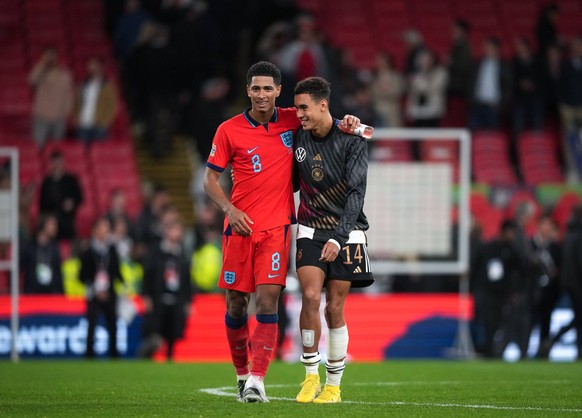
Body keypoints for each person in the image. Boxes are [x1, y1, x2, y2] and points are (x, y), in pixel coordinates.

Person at [203, 61, 359, 403]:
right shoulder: (228, 130)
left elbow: (324, 118)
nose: (261, 95)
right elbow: (209, 179)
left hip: (276, 229)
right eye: (255, 88)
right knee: (235, 305)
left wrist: (351, 121)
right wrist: (230, 208)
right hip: (238, 229)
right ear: (248, 91)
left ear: (278, 91)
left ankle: (258, 379)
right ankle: (242, 375)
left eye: (267, 89)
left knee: (269, 300)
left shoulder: (293, 118)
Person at [293, 77, 373, 403]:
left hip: (347, 230)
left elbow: (357, 193)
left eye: (304, 107)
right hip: (310, 228)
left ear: (323, 104)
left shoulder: (352, 138)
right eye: (296, 108)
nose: (299, 114)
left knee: (335, 308)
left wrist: (340, 238)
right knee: (311, 296)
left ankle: (333, 386)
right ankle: (310, 376)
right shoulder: (296, 134)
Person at [140, 213, 192, 361]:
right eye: (174, 229)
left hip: (176, 298)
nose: (177, 233)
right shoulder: (156, 251)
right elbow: (147, 275)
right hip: (158, 297)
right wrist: (146, 296)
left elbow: (187, 279)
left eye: (179, 230)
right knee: (155, 332)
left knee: (173, 333)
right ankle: (146, 356)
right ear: (167, 231)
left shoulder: (182, 254)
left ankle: (170, 358)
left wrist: (188, 301)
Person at [470, 219, 526, 358]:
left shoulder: (512, 251)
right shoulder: (487, 248)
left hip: (502, 295)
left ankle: (497, 351)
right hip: (486, 293)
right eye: (511, 232)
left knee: (500, 324)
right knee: (487, 323)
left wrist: (516, 292)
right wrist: (476, 290)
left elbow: (521, 271)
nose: (513, 235)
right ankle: (487, 350)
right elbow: (475, 269)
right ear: (504, 231)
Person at [79, 216, 123, 358]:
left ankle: (114, 356)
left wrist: (120, 286)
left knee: (113, 326)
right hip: (94, 294)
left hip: (109, 294)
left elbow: (117, 273)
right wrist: (94, 289)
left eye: (107, 228)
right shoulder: (88, 252)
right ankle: (89, 356)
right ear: (95, 230)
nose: (105, 231)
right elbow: (82, 276)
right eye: (102, 227)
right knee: (91, 325)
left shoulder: (112, 251)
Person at [529, 215, 561, 358]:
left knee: (546, 321)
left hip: (549, 292)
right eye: (544, 224)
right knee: (529, 321)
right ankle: (524, 349)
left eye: (549, 225)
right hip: (531, 290)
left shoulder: (555, 247)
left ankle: (543, 351)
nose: (546, 228)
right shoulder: (530, 244)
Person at [28, 47, 74, 147]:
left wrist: (65, 112)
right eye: (47, 56)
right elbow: (31, 80)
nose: (50, 58)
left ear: (57, 57)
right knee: (38, 146)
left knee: (57, 148)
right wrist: (42, 64)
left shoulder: (65, 75)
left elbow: (69, 96)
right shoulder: (39, 73)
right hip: (41, 117)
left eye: (52, 55)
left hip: (59, 118)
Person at [469, 37, 511, 131]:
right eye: (485, 47)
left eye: (489, 47)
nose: (486, 50)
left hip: (494, 106)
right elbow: (471, 83)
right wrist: (471, 101)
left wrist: (501, 105)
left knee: (492, 135)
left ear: (497, 49)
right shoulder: (477, 64)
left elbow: (508, 87)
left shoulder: (505, 66)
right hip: (477, 105)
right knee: (474, 135)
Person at [39, 151, 83, 240]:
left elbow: (80, 198)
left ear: (63, 163)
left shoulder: (71, 180)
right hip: (51, 219)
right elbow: (42, 204)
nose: (57, 165)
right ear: (51, 163)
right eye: (55, 162)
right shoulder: (47, 182)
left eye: (59, 162)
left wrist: (72, 203)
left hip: (67, 219)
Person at [74, 57, 118, 144]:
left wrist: (105, 121)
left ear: (100, 67)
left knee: (98, 152)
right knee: (80, 151)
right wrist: (76, 117)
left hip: (99, 124)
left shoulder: (108, 86)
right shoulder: (83, 84)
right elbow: (77, 102)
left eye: (93, 65)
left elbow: (112, 105)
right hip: (83, 123)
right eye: (90, 66)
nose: (91, 68)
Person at [559, 203, 582, 360]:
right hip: (578, 283)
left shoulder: (569, 232)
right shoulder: (579, 233)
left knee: (579, 317)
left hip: (568, 282)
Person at [20, 214, 63, 294]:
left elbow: (58, 273)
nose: (55, 227)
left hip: (50, 294)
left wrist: (60, 293)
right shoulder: (29, 246)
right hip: (32, 293)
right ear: (43, 224)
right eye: (52, 224)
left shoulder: (54, 248)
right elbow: (19, 267)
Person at [405, 49, 449, 128]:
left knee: (432, 136)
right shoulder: (418, 74)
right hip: (418, 110)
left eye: (427, 60)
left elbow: (433, 88)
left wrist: (419, 82)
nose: (425, 62)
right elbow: (413, 92)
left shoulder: (440, 72)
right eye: (423, 60)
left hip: (433, 110)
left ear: (433, 60)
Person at [511, 38, 544, 136]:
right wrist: (520, 84)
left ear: (529, 49)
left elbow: (543, 79)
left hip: (536, 98)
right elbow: (511, 80)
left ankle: (537, 148)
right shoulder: (514, 62)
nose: (521, 52)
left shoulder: (538, 61)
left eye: (523, 49)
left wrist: (533, 84)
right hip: (520, 98)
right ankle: (517, 150)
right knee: (518, 127)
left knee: (537, 126)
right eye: (519, 50)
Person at [369, 52, 405, 128]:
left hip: (392, 110)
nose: (379, 63)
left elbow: (398, 91)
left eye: (381, 60)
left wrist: (386, 91)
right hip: (377, 110)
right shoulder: (374, 77)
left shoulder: (395, 76)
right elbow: (371, 93)